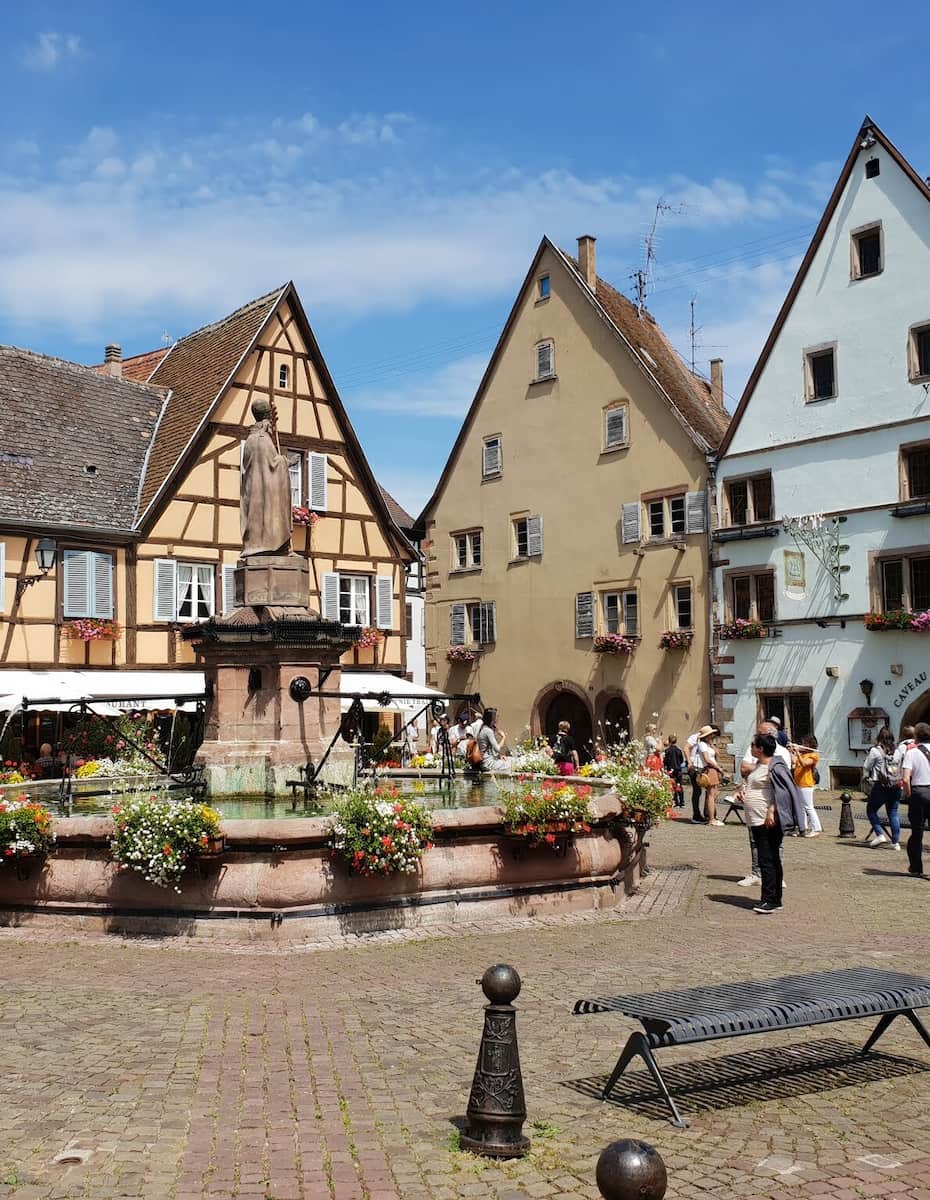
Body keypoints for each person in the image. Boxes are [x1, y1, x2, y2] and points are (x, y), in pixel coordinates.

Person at [746, 732, 806, 913]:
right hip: (755, 818)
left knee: (767, 859)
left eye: (753, 745)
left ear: (761, 748)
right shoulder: (759, 765)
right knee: (768, 857)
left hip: (768, 820)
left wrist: (772, 809)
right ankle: (773, 899)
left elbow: (783, 791)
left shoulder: (776, 766)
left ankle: (770, 900)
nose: (751, 748)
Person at [737, 722, 793, 886]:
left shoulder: (782, 754)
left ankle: (775, 879)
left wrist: (772, 809)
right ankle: (757, 873)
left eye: (760, 734)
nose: (756, 736)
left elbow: (780, 782)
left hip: (768, 809)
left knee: (774, 846)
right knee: (756, 842)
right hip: (753, 811)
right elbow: (743, 769)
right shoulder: (754, 750)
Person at [862, 726, 901, 851]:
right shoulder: (898, 751)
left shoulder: (875, 751)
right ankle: (895, 843)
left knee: (871, 810)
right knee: (893, 813)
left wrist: (866, 779)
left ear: (879, 737)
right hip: (896, 785)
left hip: (881, 785)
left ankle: (879, 834)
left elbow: (866, 766)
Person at [901, 722, 930, 877]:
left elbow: (906, 779)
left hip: (919, 792)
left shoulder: (911, 753)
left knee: (917, 832)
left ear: (916, 736)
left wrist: (908, 795)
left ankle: (916, 867)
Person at [792, 734, 822, 837]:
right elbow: (794, 762)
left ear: (810, 744)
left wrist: (797, 752)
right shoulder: (802, 754)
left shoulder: (813, 755)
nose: (803, 744)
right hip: (798, 783)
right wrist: (793, 752)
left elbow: (804, 764)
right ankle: (802, 828)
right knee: (800, 807)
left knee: (809, 807)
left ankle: (816, 828)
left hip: (806, 783)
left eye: (805, 743)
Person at [692, 725, 722, 825]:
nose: (713, 736)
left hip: (713, 768)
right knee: (711, 794)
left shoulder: (708, 744)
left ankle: (711, 816)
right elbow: (707, 759)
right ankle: (711, 818)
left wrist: (712, 744)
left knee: (713, 794)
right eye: (711, 734)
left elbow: (718, 754)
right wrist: (718, 767)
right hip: (710, 768)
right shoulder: (702, 745)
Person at [471, 708, 509, 773]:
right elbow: (497, 749)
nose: (497, 719)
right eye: (495, 717)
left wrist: (499, 756)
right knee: (512, 762)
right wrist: (503, 737)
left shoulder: (482, 728)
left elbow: (489, 750)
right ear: (491, 719)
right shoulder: (488, 731)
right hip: (488, 763)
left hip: (485, 761)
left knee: (509, 759)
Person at [686, 728, 705, 823]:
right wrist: (689, 762)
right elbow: (686, 748)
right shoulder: (694, 737)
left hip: (702, 767)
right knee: (697, 790)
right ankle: (696, 815)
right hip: (694, 766)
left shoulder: (706, 740)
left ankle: (705, 814)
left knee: (700, 791)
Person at [663, 734, 686, 807]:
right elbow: (682, 760)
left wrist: (665, 767)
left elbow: (665, 761)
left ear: (669, 741)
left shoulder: (667, 751)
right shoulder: (679, 750)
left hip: (671, 770)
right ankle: (682, 802)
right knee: (679, 785)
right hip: (678, 770)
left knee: (673, 785)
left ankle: (675, 801)